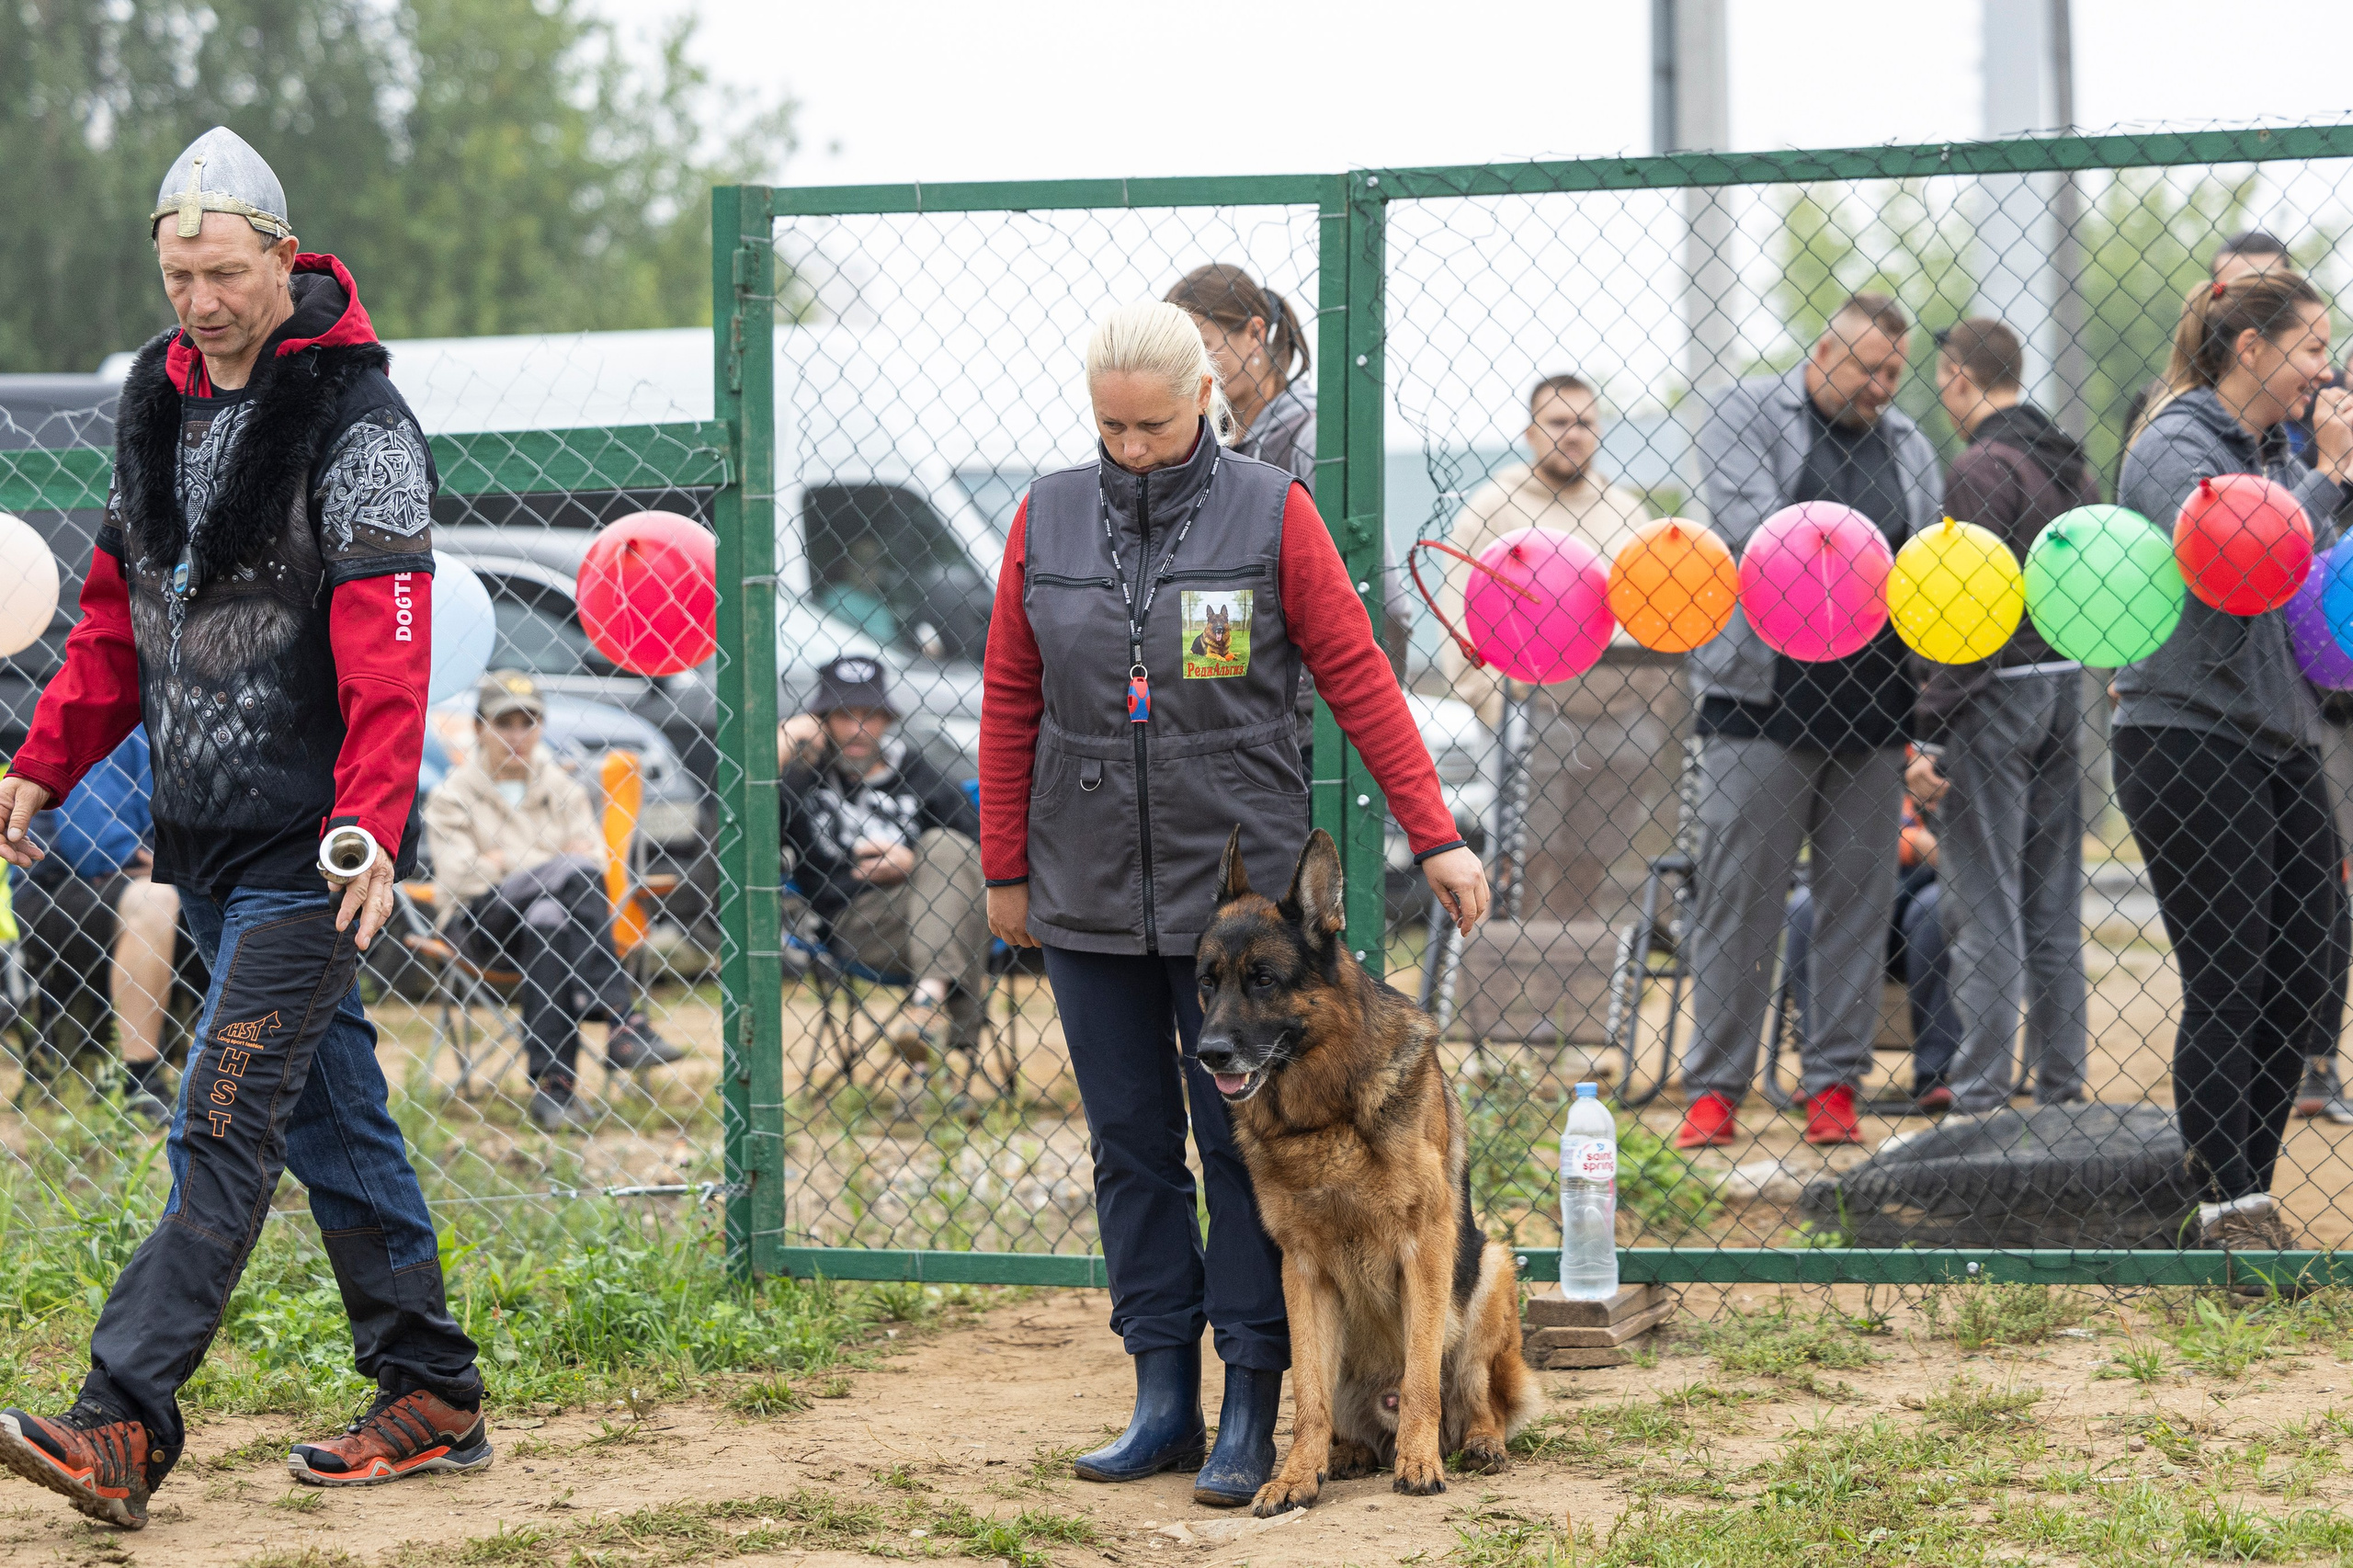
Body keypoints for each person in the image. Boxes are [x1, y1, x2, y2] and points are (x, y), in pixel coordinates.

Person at [0, 128, 487, 1530]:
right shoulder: (153, 400)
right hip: (198, 831)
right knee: (335, 1121)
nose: (199, 301)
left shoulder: (358, 419)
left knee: (217, 1123)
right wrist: (46, 759)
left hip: (310, 846)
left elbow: (387, 642)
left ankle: (121, 1422)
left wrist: (367, 822)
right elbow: (113, 611)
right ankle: (433, 1390)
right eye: (175, 274)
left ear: (286, 255)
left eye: (223, 272)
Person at [979, 300, 1486, 1506]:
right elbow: (1009, 693)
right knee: (1129, 1148)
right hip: (1089, 882)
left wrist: (1439, 834)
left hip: (1242, 909)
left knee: (1245, 1147)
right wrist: (1007, 867)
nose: (1133, 446)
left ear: (1205, 395)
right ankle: (1162, 1391)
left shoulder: (1272, 511)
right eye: (1111, 425)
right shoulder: (1044, 513)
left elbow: (1360, 675)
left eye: (1154, 423)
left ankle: (1256, 1401)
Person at [2113, 271, 2353, 1251]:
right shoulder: (2174, 444)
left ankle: (2245, 1190)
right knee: (2229, 971)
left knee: (2304, 963)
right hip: (2185, 731)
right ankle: (2222, 1202)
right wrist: (2327, 475)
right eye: (2308, 348)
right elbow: (2241, 560)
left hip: (2275, 729)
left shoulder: (2261, 448)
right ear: (2247, 348)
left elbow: (2305, 582)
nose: (2322, 369)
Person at [1675, 292, 1942, 1151]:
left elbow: (1928, 563)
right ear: (1823, 353)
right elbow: (1761, 540)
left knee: (1856, 904)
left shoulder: (1907, 444)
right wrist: (1865, 565)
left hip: (1872, 709)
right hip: (1759, 702)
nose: (1884, 387)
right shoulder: (1744, 412)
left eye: (1897, 372)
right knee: (1738, 900)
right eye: (1871, 368)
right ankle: (1717, 1088)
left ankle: (1833, 1086)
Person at [1904, 318, 2097, 1116]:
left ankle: (1980, 1095)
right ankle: (2060, 1091)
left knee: (1982, 906)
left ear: (1956, 375)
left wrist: (1931, 727)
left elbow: (1966, 612)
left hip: (1994, 694)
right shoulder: (2070, 462)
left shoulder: (1982, 466)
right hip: (2064, 687)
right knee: (2051, 907)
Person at [1437, 374, 1665, 923]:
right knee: (1524, 867)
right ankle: (1517, 998)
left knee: (1590, 871)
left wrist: (1651, 704)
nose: (1573, 434)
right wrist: (1499, 709)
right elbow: (1456, 619)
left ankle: (1575, 986)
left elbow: (1654, 616)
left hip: (1620, 721)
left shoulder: (1628, 513)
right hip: (1534, 717)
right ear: (1530, 432)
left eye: (1586, 422)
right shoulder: (1495, 508)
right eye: (1559, 422)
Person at [422, 672, 683, 1132]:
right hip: (479, 927)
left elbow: (596, 862)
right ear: (480, 727)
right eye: (506, 723)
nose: (518, 736)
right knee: (572, 875)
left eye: (529, 722)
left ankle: (554, 1089)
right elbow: (462, 877)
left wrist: (504, 862)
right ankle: (623, 1020)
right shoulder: (452, 795)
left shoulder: (562, 787)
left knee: (549, 918)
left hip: (544, 928)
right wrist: (552, 864)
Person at [1165, 264, 1414, 736]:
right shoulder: (1202, 450)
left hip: (1310, 735)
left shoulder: (1312, 436)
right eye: (1173, 354)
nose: (1188, 368)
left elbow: (1384, 603)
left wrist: (1343, 729)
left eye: (1201, 346)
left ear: (1255, 334)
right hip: (1232, 730)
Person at [778, 653, 990, 1063]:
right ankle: (948, 1032)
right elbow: (736, 823)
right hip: (855, 925)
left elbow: (981, 847)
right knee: (950, 872)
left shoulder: (914, 769)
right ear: (821, 720)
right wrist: (783, 741)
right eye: (843, 715)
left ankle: (926, 1005)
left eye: (871, 715)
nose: (858, 729)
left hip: (935, 912)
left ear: (888, 719)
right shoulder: (801, 779)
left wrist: (914, 860)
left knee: (944, 845)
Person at [12, 725, 184, 1125]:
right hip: (59, 885)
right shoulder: (113, 710)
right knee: (154, 899)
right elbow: (91, 842)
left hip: (154, 876)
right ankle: (140, 1083)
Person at [1783, 790, 1960, 1099]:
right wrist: (1908, 842)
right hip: (1852, 896)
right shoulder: (1865, 756)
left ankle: (1936, 1073)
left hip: (1919, 910)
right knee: (1804, 906)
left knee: (1936, 908)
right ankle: (1822, 1077)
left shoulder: (1949, 759)